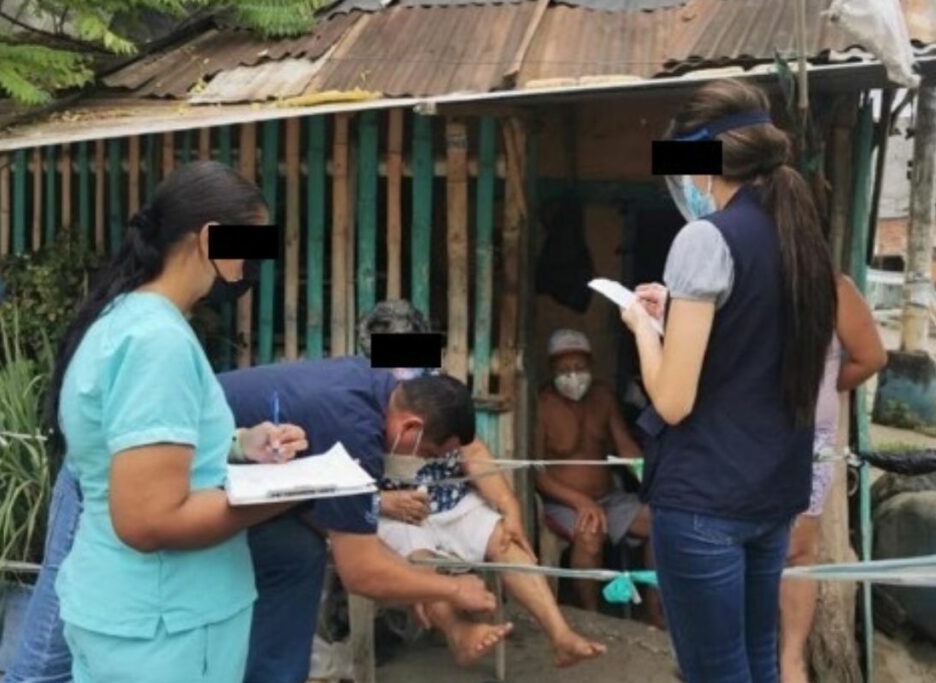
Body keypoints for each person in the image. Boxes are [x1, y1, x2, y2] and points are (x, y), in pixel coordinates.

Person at [44, 161, 310, 683]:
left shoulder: (125, 317)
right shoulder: (157, 342)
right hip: (167, 627)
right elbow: (149, 520)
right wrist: (282, 495)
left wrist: (238, 445)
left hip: (129, 614)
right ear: (211, 238)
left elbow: (139, 446)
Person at [622, 79, 837, 683]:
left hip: (704, 502)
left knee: (715, 672)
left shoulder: (703, 238)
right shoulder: (803, 239)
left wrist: (642, 326)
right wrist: (680, 308)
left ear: (700, 164)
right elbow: (754, 339)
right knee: (758, 662)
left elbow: (673, 399)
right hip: (771, 496)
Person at [217, 359, 506, 679]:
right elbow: (360, 572)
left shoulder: (376, 385)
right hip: (197, 468)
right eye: (428, 454)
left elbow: (333, 523)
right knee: (295, 553)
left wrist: (415, 584)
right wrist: (453, 589)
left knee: (299, 545)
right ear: (411, 427)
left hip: (225, 458)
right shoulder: (356, 433)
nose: (422, 463)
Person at [357, 301, 605, 667]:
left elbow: (472, 449)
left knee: (507, 539)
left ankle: (560, 635)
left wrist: (510, 507)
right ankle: (460, 634)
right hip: (394, 513)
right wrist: (385, 502)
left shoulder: (435, 382)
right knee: (420, 557)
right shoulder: (358, 394)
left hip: (453, 501)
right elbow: (343, 479)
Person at [779, 275, 886, 683]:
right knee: (738, 544)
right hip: (748, 438)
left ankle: (791, 661)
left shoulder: (832, 288)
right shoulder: (738, 273)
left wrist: (824, 389)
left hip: (810, 442)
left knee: (798, 552)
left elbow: (870, 357)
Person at [535, 329, 661, 624]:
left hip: (610, 498)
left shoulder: (603, 397)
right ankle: (592, 617)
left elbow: (626, 447)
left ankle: (654, 610)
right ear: (552, 370)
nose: (573, 376)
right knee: (589, 534)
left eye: (579, 368)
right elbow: (537, 474)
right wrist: (580, 502)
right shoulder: (542, 405)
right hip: (564, 502)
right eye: (564, 370)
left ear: (590, 366)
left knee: (660, 520)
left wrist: (649, 475)